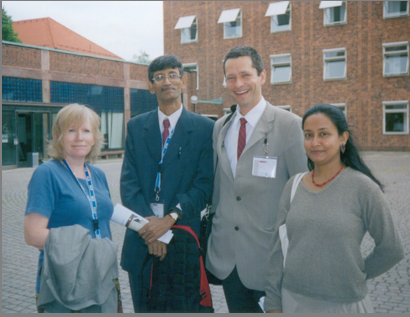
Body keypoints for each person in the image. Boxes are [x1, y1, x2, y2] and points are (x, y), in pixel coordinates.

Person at [264, 104, 405, 313]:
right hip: (293, 300)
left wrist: (356, 274)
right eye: (308, 135)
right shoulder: (293, 185)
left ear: (343, 138)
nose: (315, 143)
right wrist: (273, 304)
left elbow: (392, 249)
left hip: (344, 304)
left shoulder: (363, 188)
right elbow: (277, 251)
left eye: (324, 134)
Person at [205, 45, 307, 313]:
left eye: (246, 75)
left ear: (263, 76)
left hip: (270, 259)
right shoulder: (220, 127)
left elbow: (302, 194)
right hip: (228, 257)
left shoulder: (290, 125)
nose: (238, 84)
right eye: (231, 77)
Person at [120, 54, 214, 312]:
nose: (166, 81)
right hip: (142, 241)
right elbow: (129, 185)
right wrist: (150, 228)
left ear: (183, 82)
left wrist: (168, 220)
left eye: (173, 75)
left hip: (183, 240)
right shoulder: (136, 127)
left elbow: (204, 185)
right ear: (151, 86)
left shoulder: (205, 128)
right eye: (159, 77)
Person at [24, 104, 120, 312]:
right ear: (58, 135)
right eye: (71, 130)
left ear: (94, 137)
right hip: (64, 279)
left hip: (102, 277)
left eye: (86, 130)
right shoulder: (47, 173)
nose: (79, 137)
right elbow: (33, 235)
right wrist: (85, 248)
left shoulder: (98, 175)